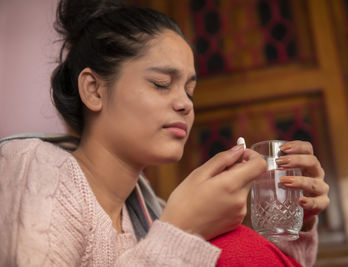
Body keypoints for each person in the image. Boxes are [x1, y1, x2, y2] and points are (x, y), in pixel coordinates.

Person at [0, 0, 329, 266]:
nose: (185, 104)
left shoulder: (148, 210)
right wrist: (180, 230)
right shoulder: (35, 168)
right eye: (161, 84)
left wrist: (300, 223)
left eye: (190, 91)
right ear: (94, 90)